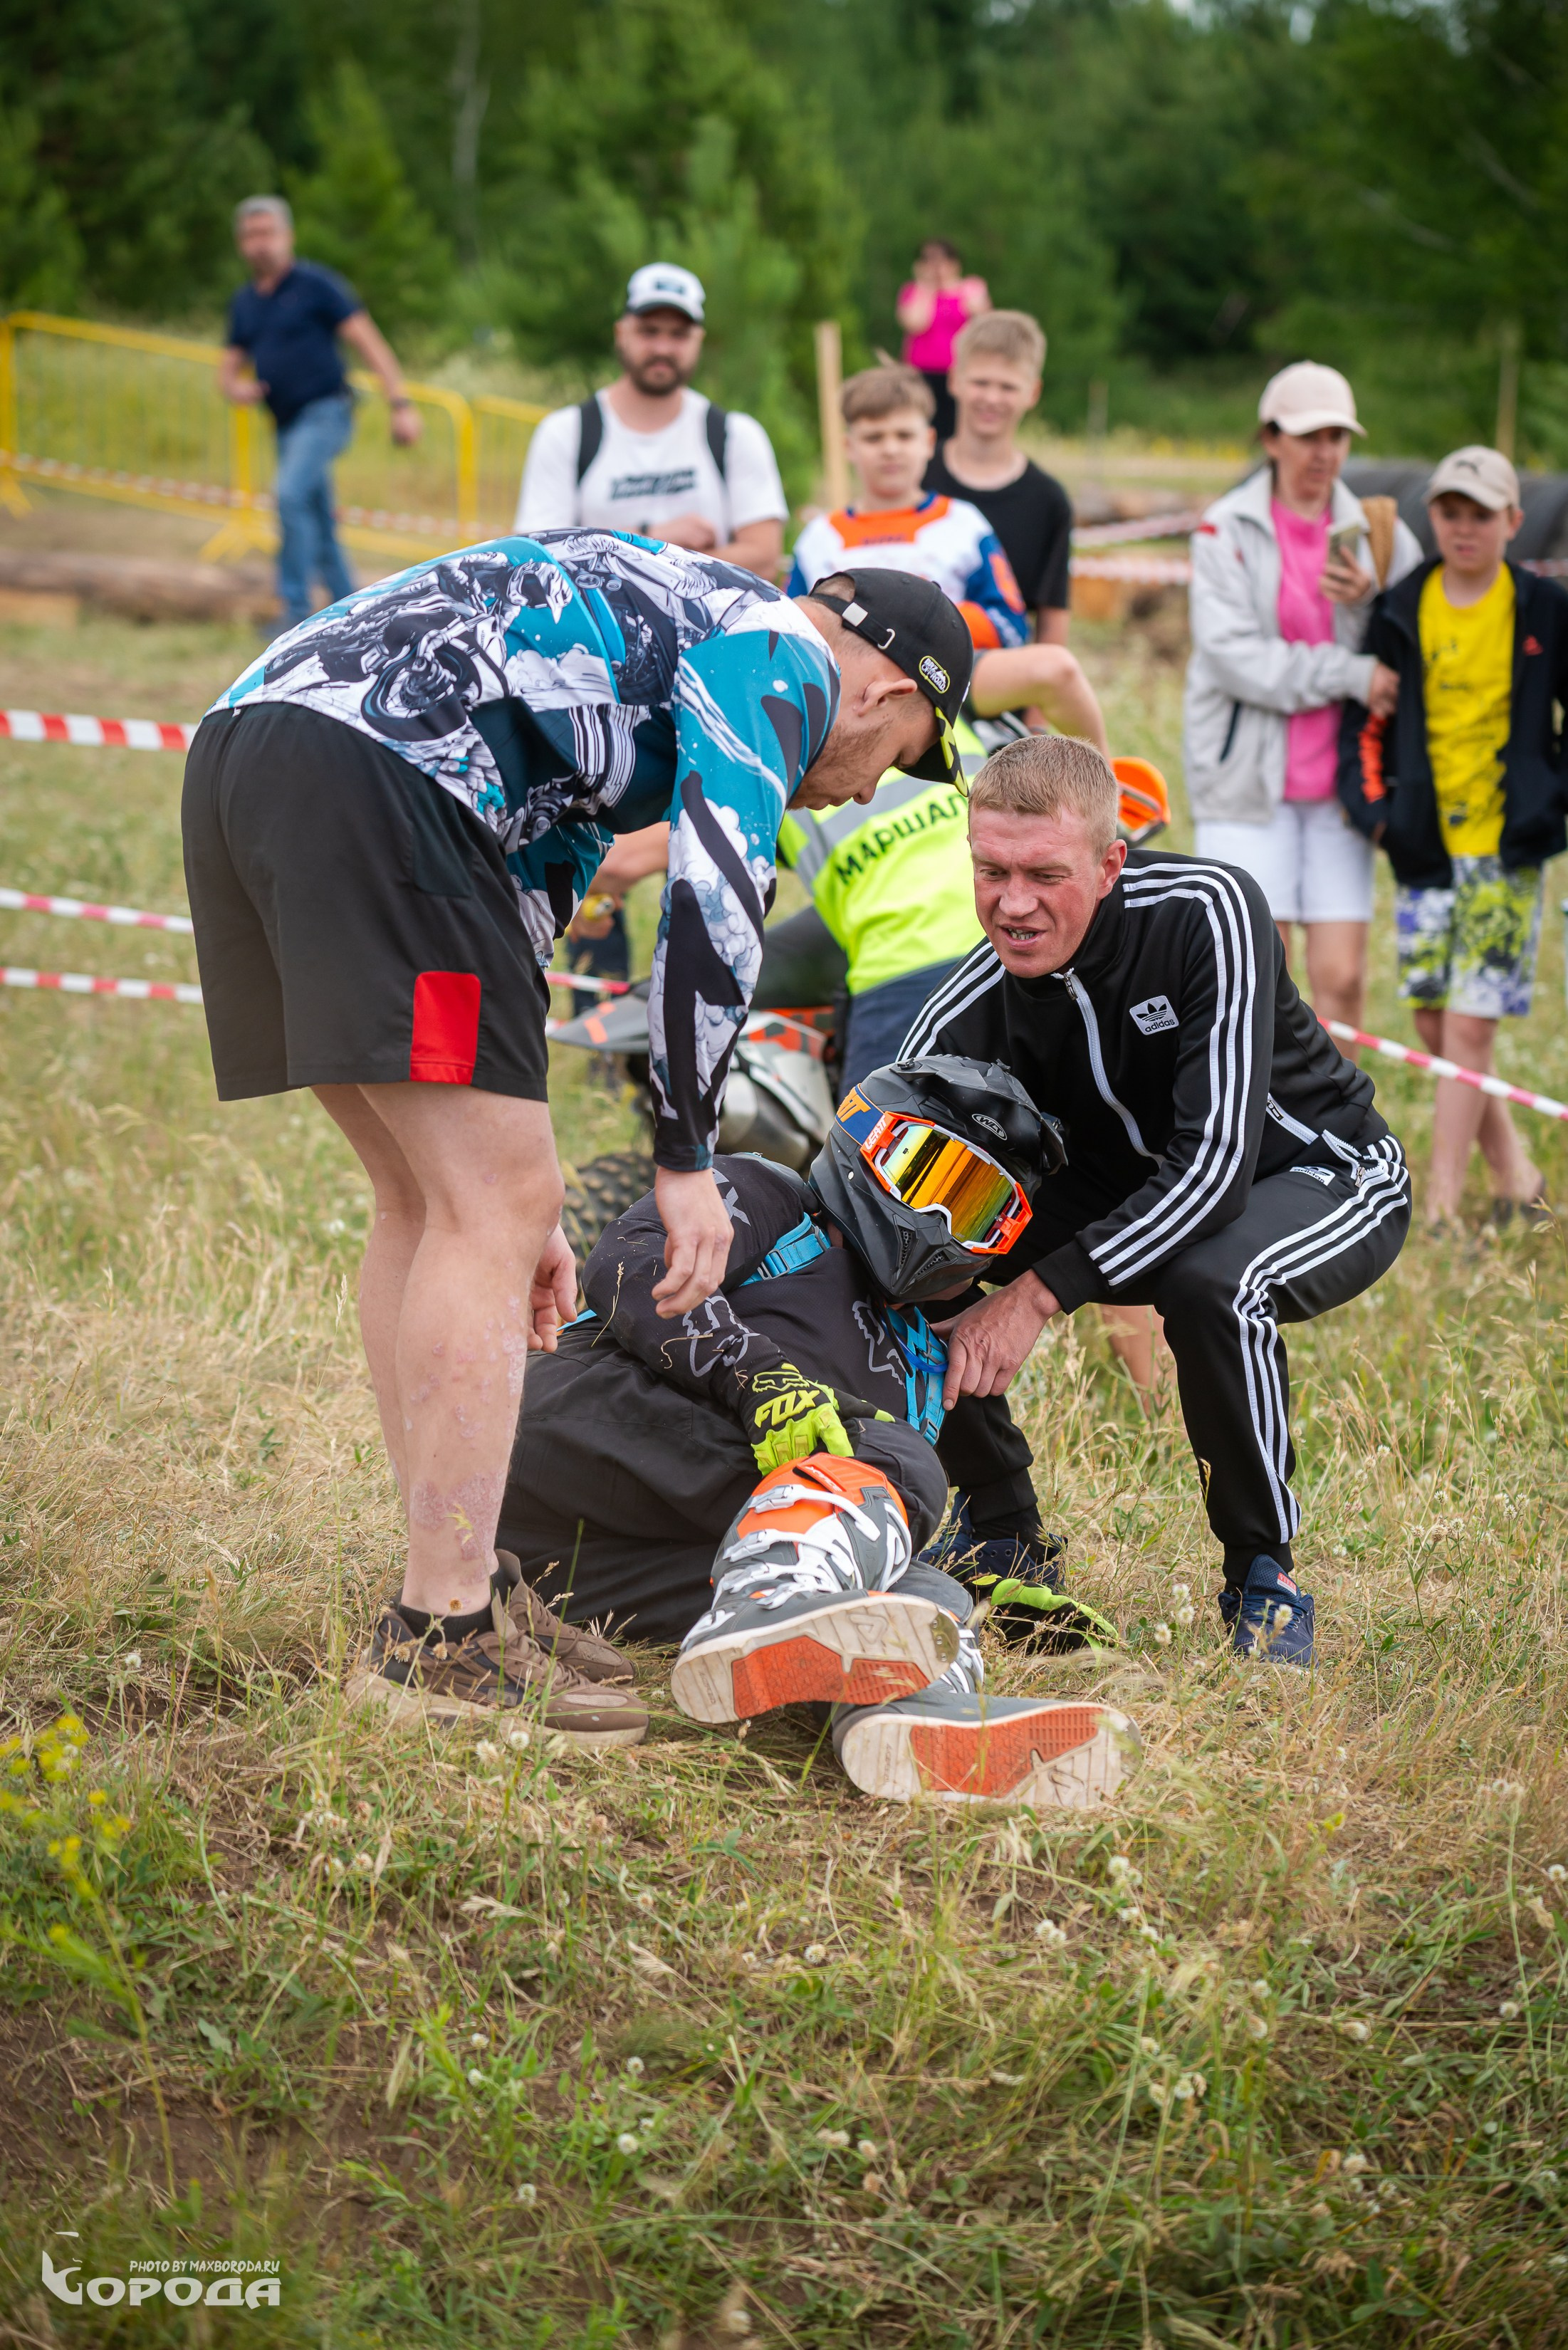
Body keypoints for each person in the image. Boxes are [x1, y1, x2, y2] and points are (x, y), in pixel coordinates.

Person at [182, 539, 976, 1731]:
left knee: (432, 1199)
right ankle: (438, 1640)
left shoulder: (674, 637)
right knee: (478, 1208)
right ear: (885, 693)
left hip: (256, 746)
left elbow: (523, 907)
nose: (865, 792)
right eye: (899, 761)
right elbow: (717, 899)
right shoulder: (784, 657)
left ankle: (462, 1582)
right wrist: (683, 1156)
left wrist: (530, 1206)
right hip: (385, 770)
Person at [899, 733, 1412, 1668]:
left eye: (1044, 875)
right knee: (903, 1238)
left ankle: (1263, 1579)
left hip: (1316, 1171)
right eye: (991, 871)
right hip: (1127, 1192)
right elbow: (880, 1193)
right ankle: (1003, 1535)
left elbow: (1214, 1164)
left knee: (1208, 1282)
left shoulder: (1208, 910)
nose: (1013, 904)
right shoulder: (964, 1011)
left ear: (1109, 865)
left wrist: (1034, 1296)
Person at [499, 1056, 1131, 1807]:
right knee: (901, 1459)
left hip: (575, 1572)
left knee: (926, 1593)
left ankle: (917, 1722)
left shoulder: (933, 1357)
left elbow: (1002, 1502)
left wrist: (1018, 1587)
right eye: (925, 1174)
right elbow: (630, 1263)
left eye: (976, 1208)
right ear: (866, 1141)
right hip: (569, 1431)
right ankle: (771, 1600)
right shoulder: (773, 1198)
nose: (939, 1220)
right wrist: (758, 1378)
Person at [1339, 445, 1568, 1226]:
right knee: (1437, 1023)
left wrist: (1550, 797)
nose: (1465, 528)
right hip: (1426, 846)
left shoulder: (1544, 607)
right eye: (1450, 512)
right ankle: (1516, 1174)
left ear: (1513, 520)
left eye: (1481, 514)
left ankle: (1437, 1210)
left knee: (1470, 1026)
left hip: (1507, 848)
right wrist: (1378, 814)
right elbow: (1366, 718)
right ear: (1432, 517)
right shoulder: (1403, 605)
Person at [1183, 360, 1422, 1031]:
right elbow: (1234, 659)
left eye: (1336, 437)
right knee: (1261, 977)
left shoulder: (1381, 532)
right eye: (1308, 436)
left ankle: (1343, 1105)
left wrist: (1371, 601)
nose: (1324, 452)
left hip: (1345, 783)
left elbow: (1412, 640)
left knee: (1342, 980)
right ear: (1271, 438)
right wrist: (1350, 674)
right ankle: (1263, 1105)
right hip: (1245, 782)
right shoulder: (1225, 528)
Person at [788, 363, 1109, 753]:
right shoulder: (819, 538)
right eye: (874, 437)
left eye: (903, 435)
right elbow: (791, 637)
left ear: (928, 441)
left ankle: (1108, 781)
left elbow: (1010, 625)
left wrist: (934, 624)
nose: (890, 448)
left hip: (950, 675)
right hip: (853, 690)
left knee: (1057, 667)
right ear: (849, 447)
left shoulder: (964, 523)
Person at [219, 197, 422, 634]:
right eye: (251, 235)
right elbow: (229, 368)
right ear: (240, 243)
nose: (260, 243)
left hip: (327, 412)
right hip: (285, 424)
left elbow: (370, 344)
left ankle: (295, 610)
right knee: (317, 519)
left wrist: (401, 405)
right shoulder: (246, 302)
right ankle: (355, 612)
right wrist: (236, 388)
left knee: (289, 495)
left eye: (268, 233)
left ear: (288, 236)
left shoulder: (317, 286)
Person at [514, 263, 788, 580]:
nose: (662, 348)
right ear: (621, 333)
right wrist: (655, 537)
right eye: (649, 331)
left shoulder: (736, 435)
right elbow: (537, 562)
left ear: (699, 340)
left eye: (679, 335)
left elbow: (764, 560)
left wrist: (624, 556)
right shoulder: (566, 433)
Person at [924, 310, 1075, 654]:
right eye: (981, 382)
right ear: (955, 381)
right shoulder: (915, 474)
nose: (992, 398)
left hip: (1004, 678)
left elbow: (1052, 630)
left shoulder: (1048, 502)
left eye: (1008, 387)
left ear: (1033, 392)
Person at [897, 239, 990, 444]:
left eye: (942, 260)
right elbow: (915, 323)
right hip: (920, 374)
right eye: (929, 261)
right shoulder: (914, 291)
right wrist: (927, 289)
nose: (937, 267)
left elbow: (984, 322)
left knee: (955, 429)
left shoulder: (970, 289)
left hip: (959, 372)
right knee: (921, 426)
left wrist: (963, 292)